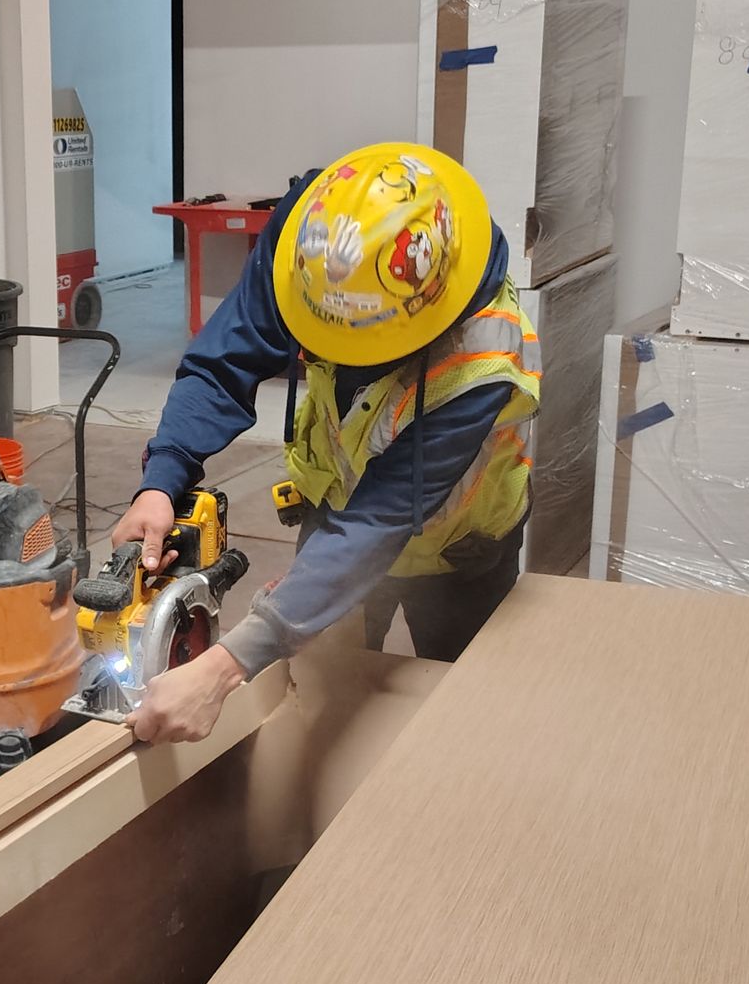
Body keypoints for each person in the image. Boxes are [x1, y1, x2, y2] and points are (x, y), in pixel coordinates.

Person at [118, 143, 540, 746]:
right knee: (318, 705)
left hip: (461, 545)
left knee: (464, 718)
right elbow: (222, 364)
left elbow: (380, 520)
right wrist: (162, 480)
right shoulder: (314, 238)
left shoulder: (482, 355)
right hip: (335, 508)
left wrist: (223, 667)